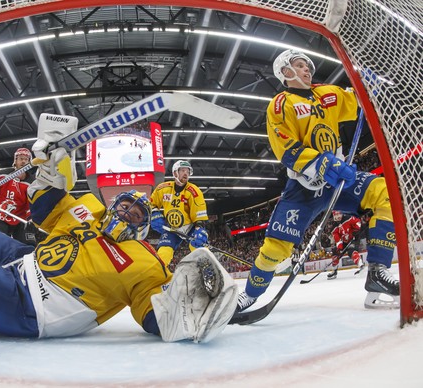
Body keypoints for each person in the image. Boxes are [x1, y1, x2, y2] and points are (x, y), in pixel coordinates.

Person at [0, 117, 239, 343]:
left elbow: (154, 316)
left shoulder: (148, 264)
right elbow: (44, 208)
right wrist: (50, 171)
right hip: (27, 262)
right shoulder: (89, 207)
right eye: (123, 206)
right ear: (112, 204)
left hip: (38, 307)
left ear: (143, 228)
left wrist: (191, 312)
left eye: (136, 215)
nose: (127, 213)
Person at [236, 49, 399, 311]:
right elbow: (285, 148)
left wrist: (365, 89)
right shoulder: (280, 104)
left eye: (307, 66)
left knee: (382, 192)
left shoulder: (327, 94)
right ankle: (250, 295)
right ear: (285, 71)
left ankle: (378, 272)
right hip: (304, 187)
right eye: (299, 66)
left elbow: (356, 101)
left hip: (339, 181)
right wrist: (321, 163)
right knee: (276, 248)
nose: (307, 70)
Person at [149, 160, 209, 266]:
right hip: (171, 228)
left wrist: (200, 229)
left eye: (188, 171)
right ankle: (158, 277)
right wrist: (154, 214)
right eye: (183, 170)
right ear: (175, 173)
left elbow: (200, 215)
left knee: (199, 249)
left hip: (190, 228)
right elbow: (151, 204)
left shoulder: (194, 191)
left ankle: (208, 274)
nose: (186, 173)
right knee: (163, 252)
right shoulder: (163, 189)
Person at [0, 147, 37, 246]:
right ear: (15, 160)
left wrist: (31, 219)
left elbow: (31, 204)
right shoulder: (3, 175)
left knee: (28, 245)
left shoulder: (32, 183)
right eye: (21, 158)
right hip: (0, 216)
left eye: (26, 159)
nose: (24, 161)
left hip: (20, 219)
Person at [327, 211, 369, 279]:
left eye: (339, 214)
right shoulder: (334, 227)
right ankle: (334, 271)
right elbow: (337, 239)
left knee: (351, 251)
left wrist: (356, 230)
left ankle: (361, 266)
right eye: (336, 215)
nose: (338, 217)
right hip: (345, 241)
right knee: (335, 252)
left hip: (354, 238)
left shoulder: (348, 218)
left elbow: (357, 221)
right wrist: (339, 248)